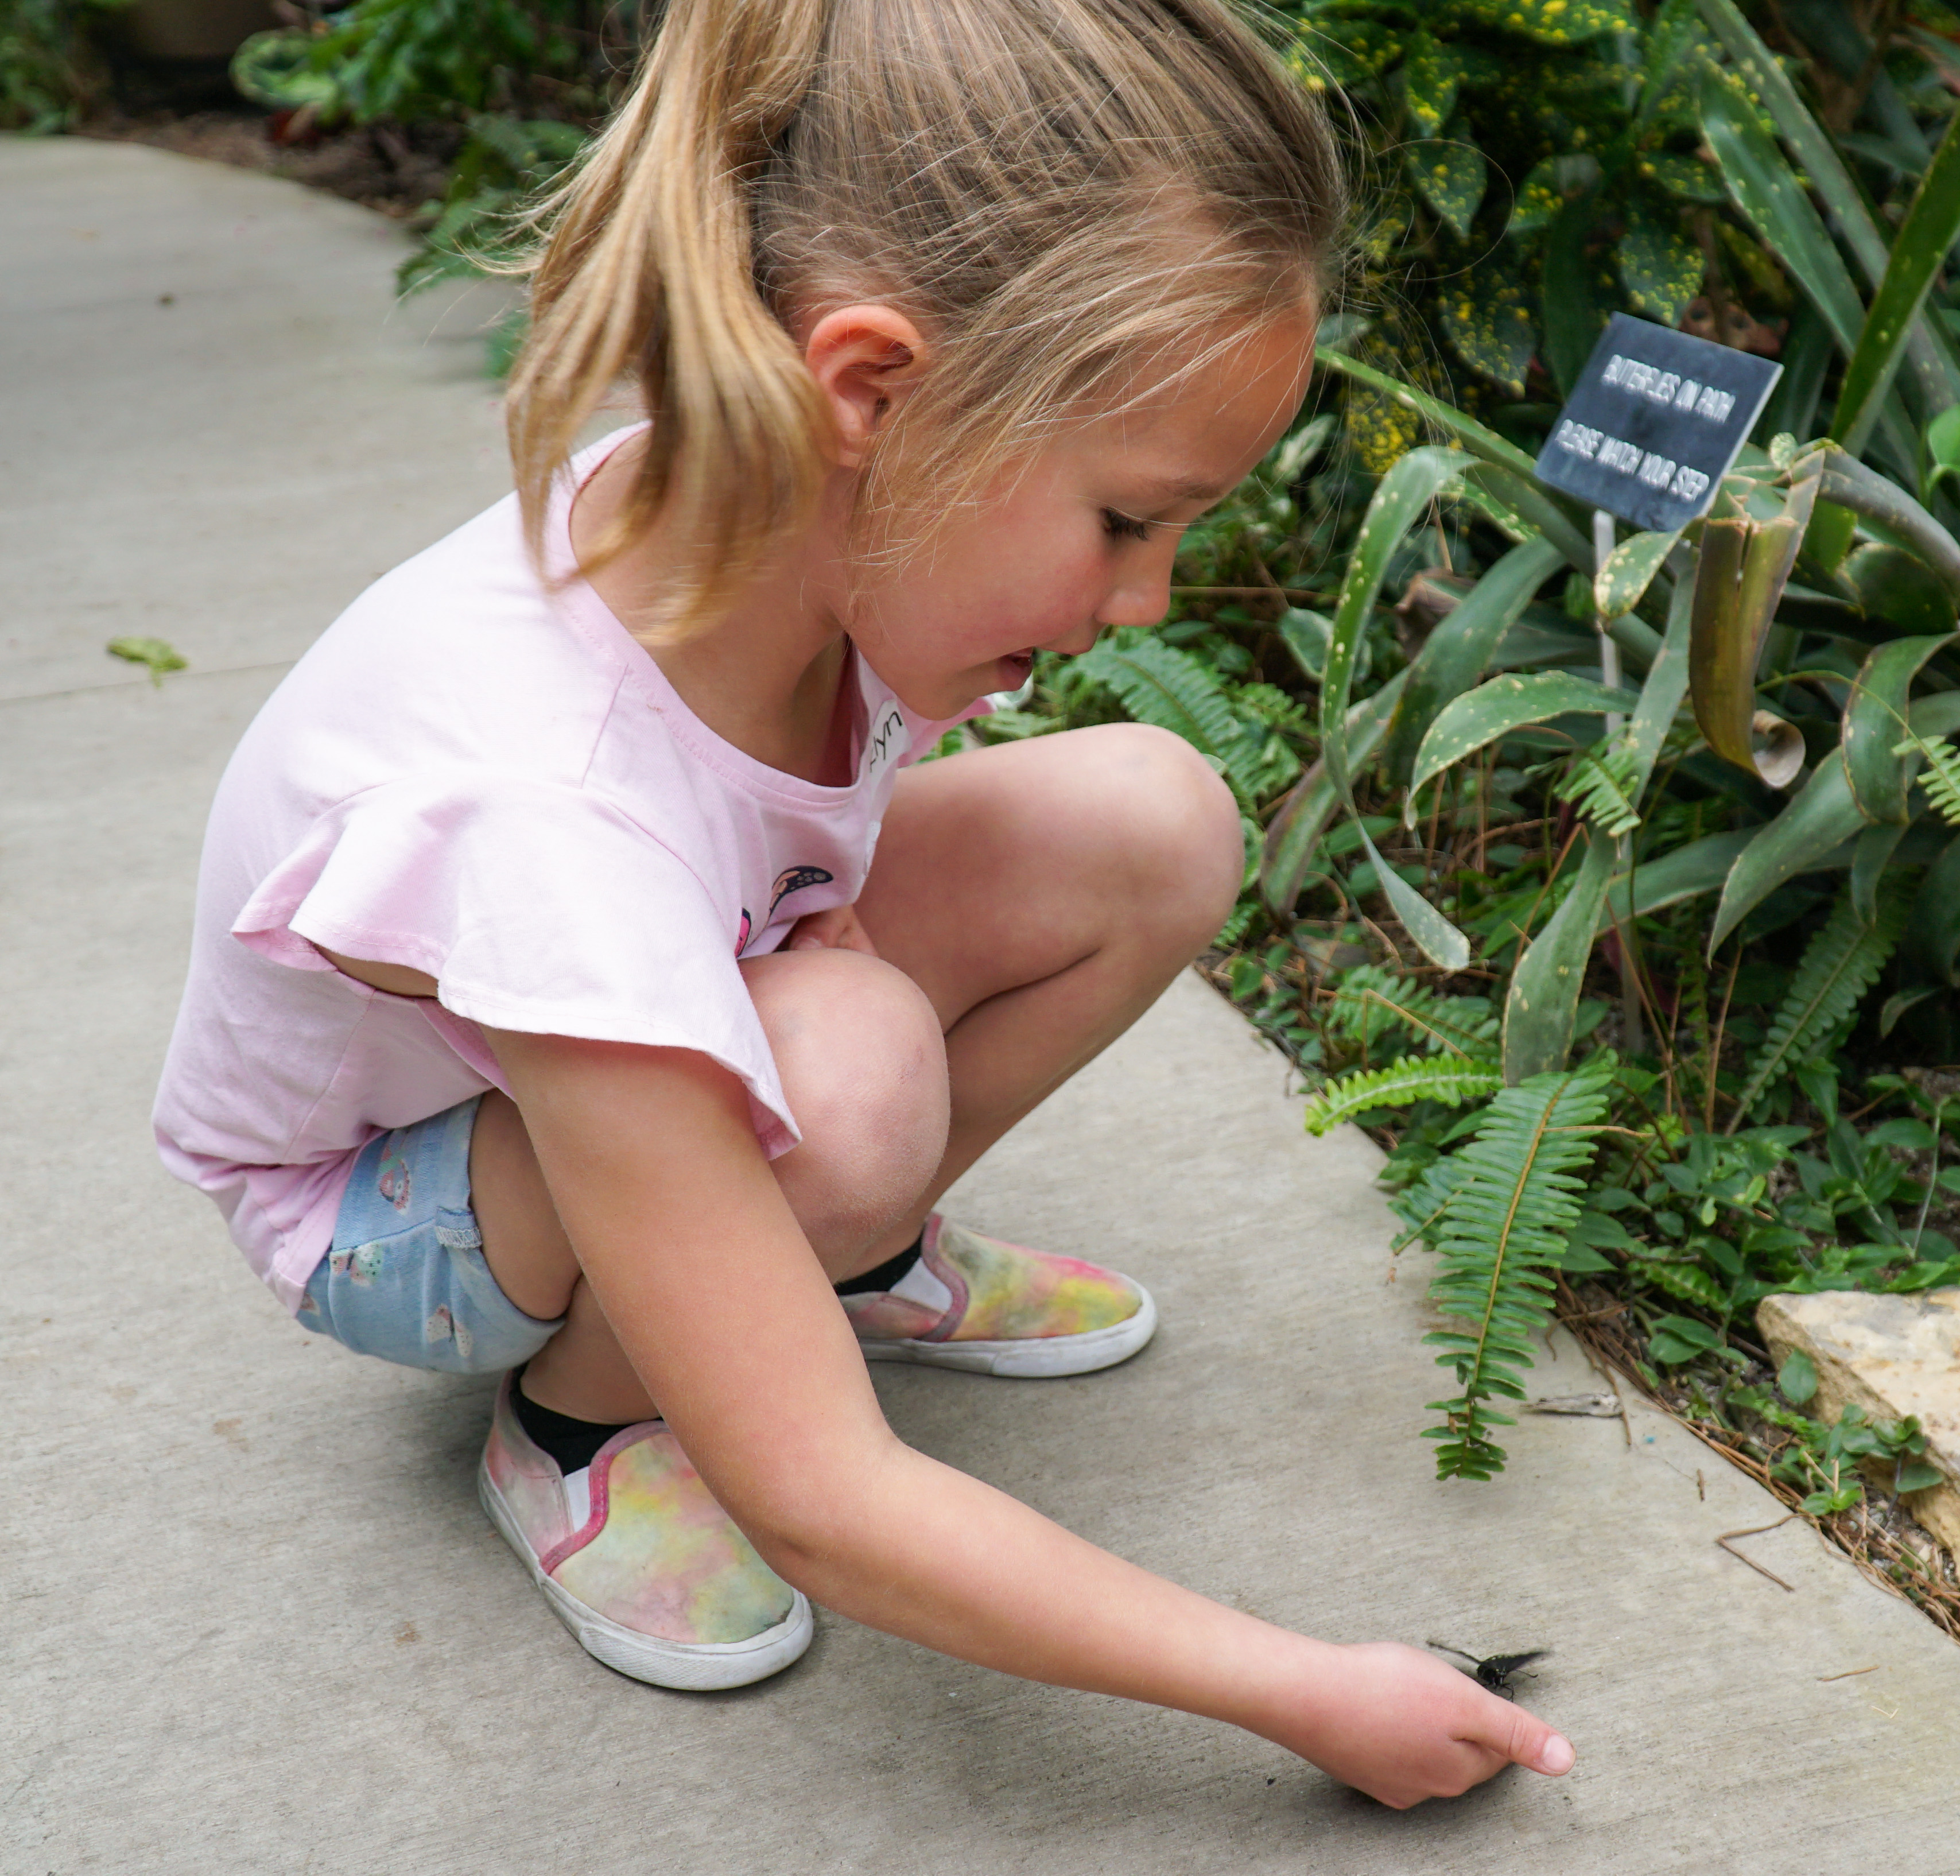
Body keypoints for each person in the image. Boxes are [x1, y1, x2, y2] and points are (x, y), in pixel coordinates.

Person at [151, 0, 1573, 1809]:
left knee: (1152, 814)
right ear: (871, 389)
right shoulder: (543, 801)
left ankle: (835, 1242)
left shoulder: (800, 506)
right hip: (393, 1205)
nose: (1150, 599)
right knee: (851, 1072)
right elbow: (828, 1502)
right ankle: (589, 1418)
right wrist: (1301, 1687)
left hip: (647, 989)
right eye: (1129, 519)